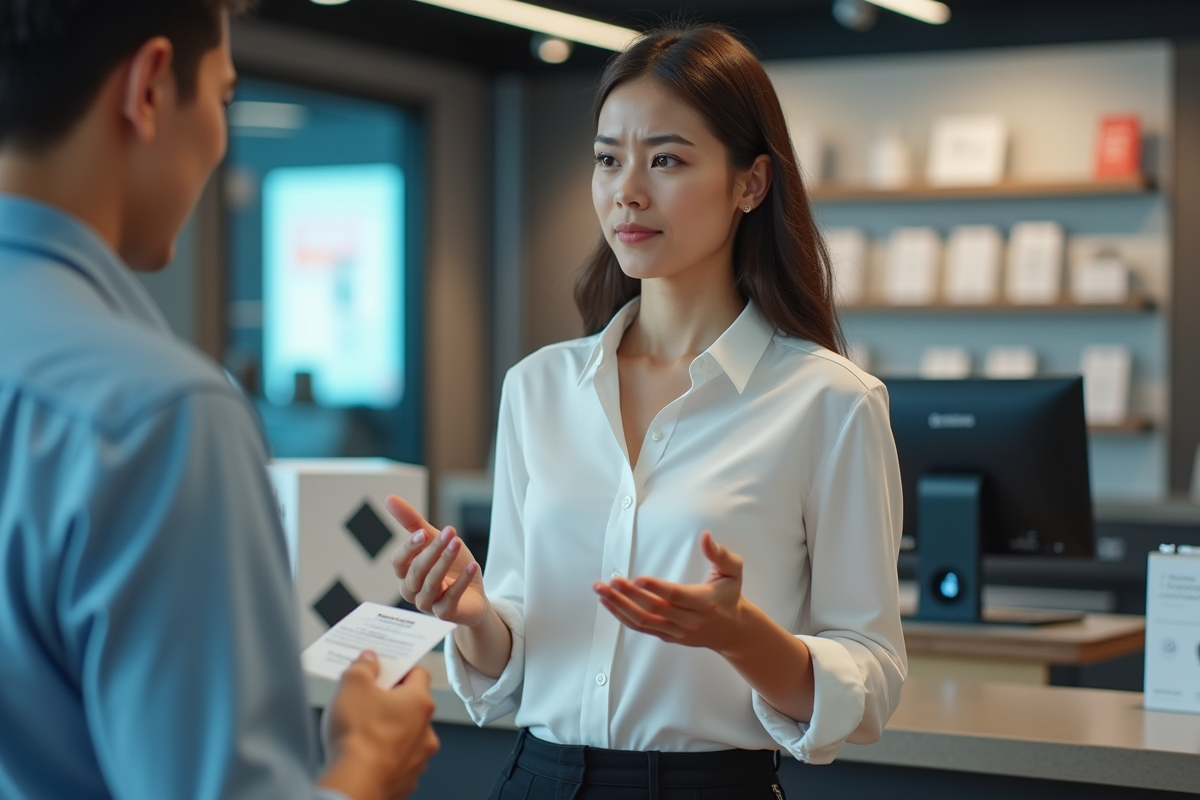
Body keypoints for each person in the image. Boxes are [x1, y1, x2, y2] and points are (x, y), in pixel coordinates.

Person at [390, 22, 906, 799]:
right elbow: (513, 660)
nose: (627, 190)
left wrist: (745, 639)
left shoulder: (830, 402)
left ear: (750, 184)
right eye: (608, 159)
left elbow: (870, 677)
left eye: (665, 159)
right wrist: (473, 616)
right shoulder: (537, 388)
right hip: (536, 779)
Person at [0, 2, 439, 799]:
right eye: (224, 98)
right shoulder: (160, 416)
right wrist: (367, 765)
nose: (218, 138)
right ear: (151, 87)